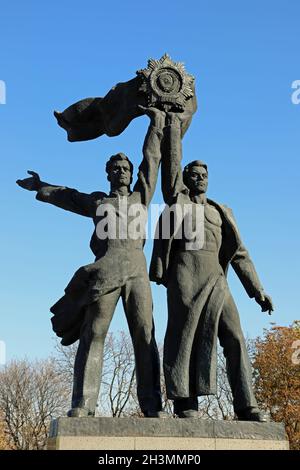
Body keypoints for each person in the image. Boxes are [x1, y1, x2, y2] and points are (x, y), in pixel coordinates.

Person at [17, 107, 166, 418]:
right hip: (107, 269)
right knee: (94, 332)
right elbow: (68, 196)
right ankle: (84, 404)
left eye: (126, 168)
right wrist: (41, 186)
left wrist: (156, 123)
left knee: (145, 334)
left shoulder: (141, 197)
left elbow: (152, 160)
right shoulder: (99, 202)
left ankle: (152, 406)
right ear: (108, 173)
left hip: (137, 270)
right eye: (116, 168)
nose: (122, 172)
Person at [150, 113, 274, 420]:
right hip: (184, 276)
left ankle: (247, 406)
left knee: (234, 337)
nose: (200, 178)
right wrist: (173, 126)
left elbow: (240, 255)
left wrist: (258, 291)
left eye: (204, 174)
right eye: (194, 174)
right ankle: (185, 403)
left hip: (216, 279)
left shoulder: (222, 211)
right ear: (186, 179)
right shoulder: (178, 203)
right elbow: (171, 168)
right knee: (182, 338)